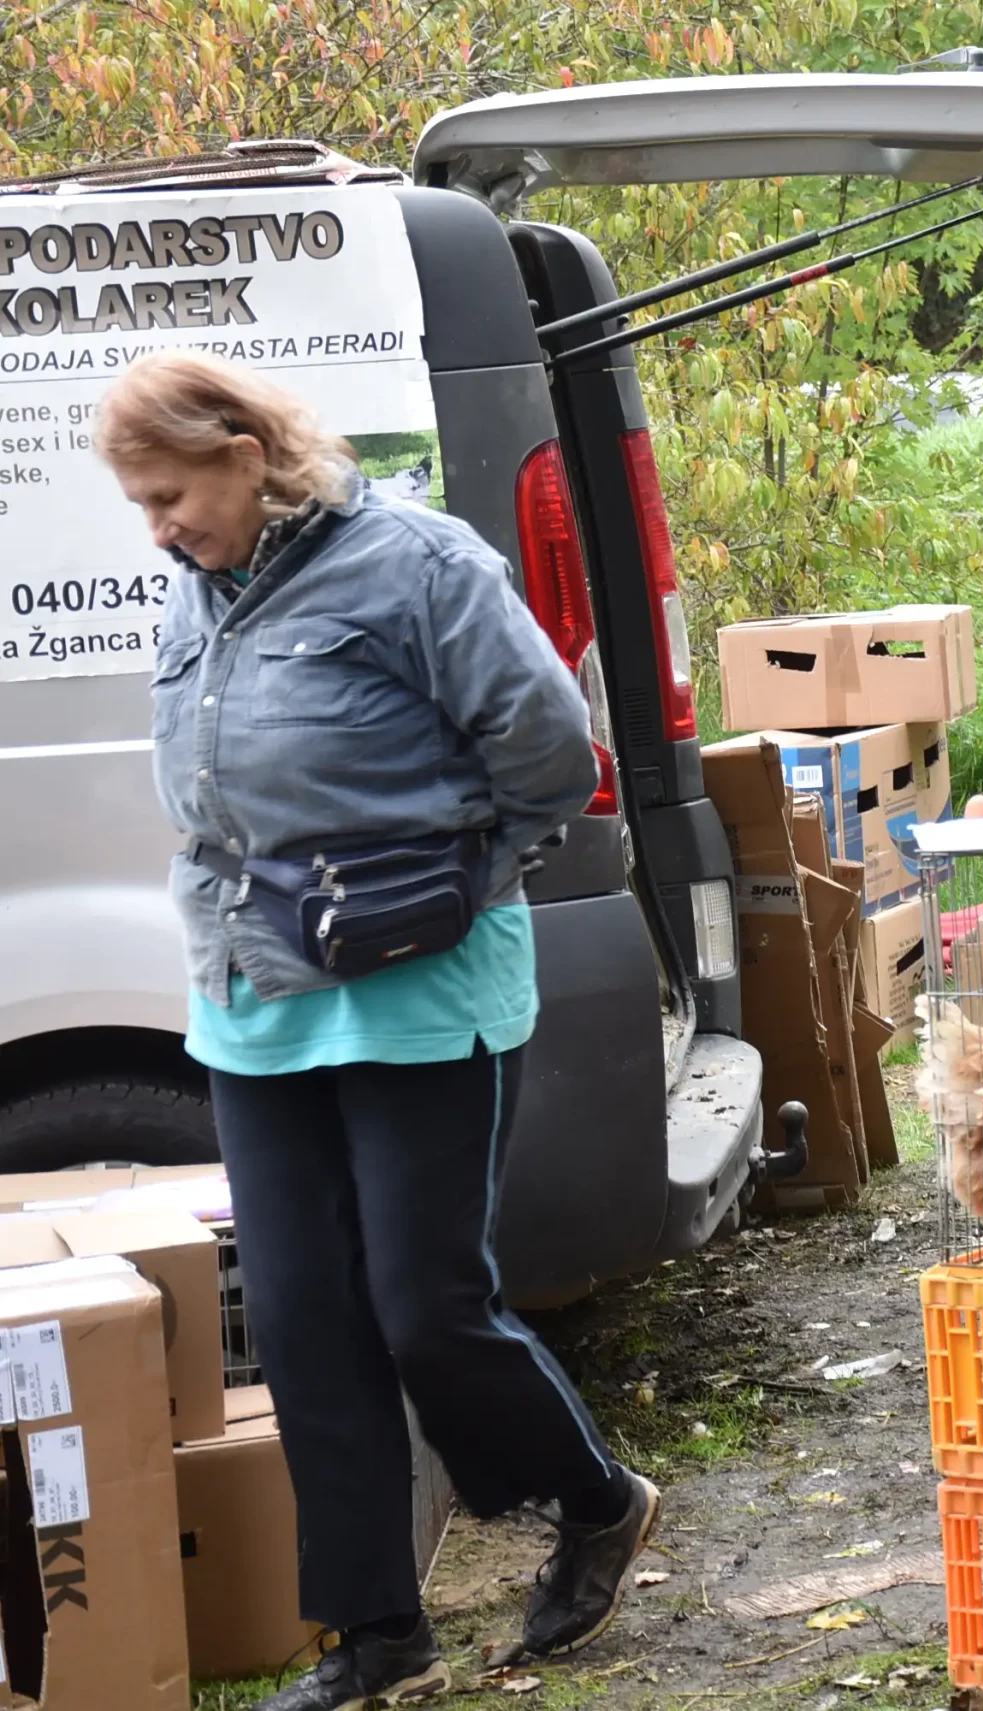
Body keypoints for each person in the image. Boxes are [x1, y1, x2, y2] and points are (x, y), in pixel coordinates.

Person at [100, 350, 657, 1710]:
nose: (159, 528)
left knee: (425, 1305)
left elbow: (547, 751)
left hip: (420, 990)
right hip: (254, 999)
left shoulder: (416, 560)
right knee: (300, 1318)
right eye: (144, 505)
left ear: (244, 450)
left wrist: (460, 883)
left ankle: (595, 1496)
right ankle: (375, 1630)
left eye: (172, 493)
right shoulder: (198, 590)